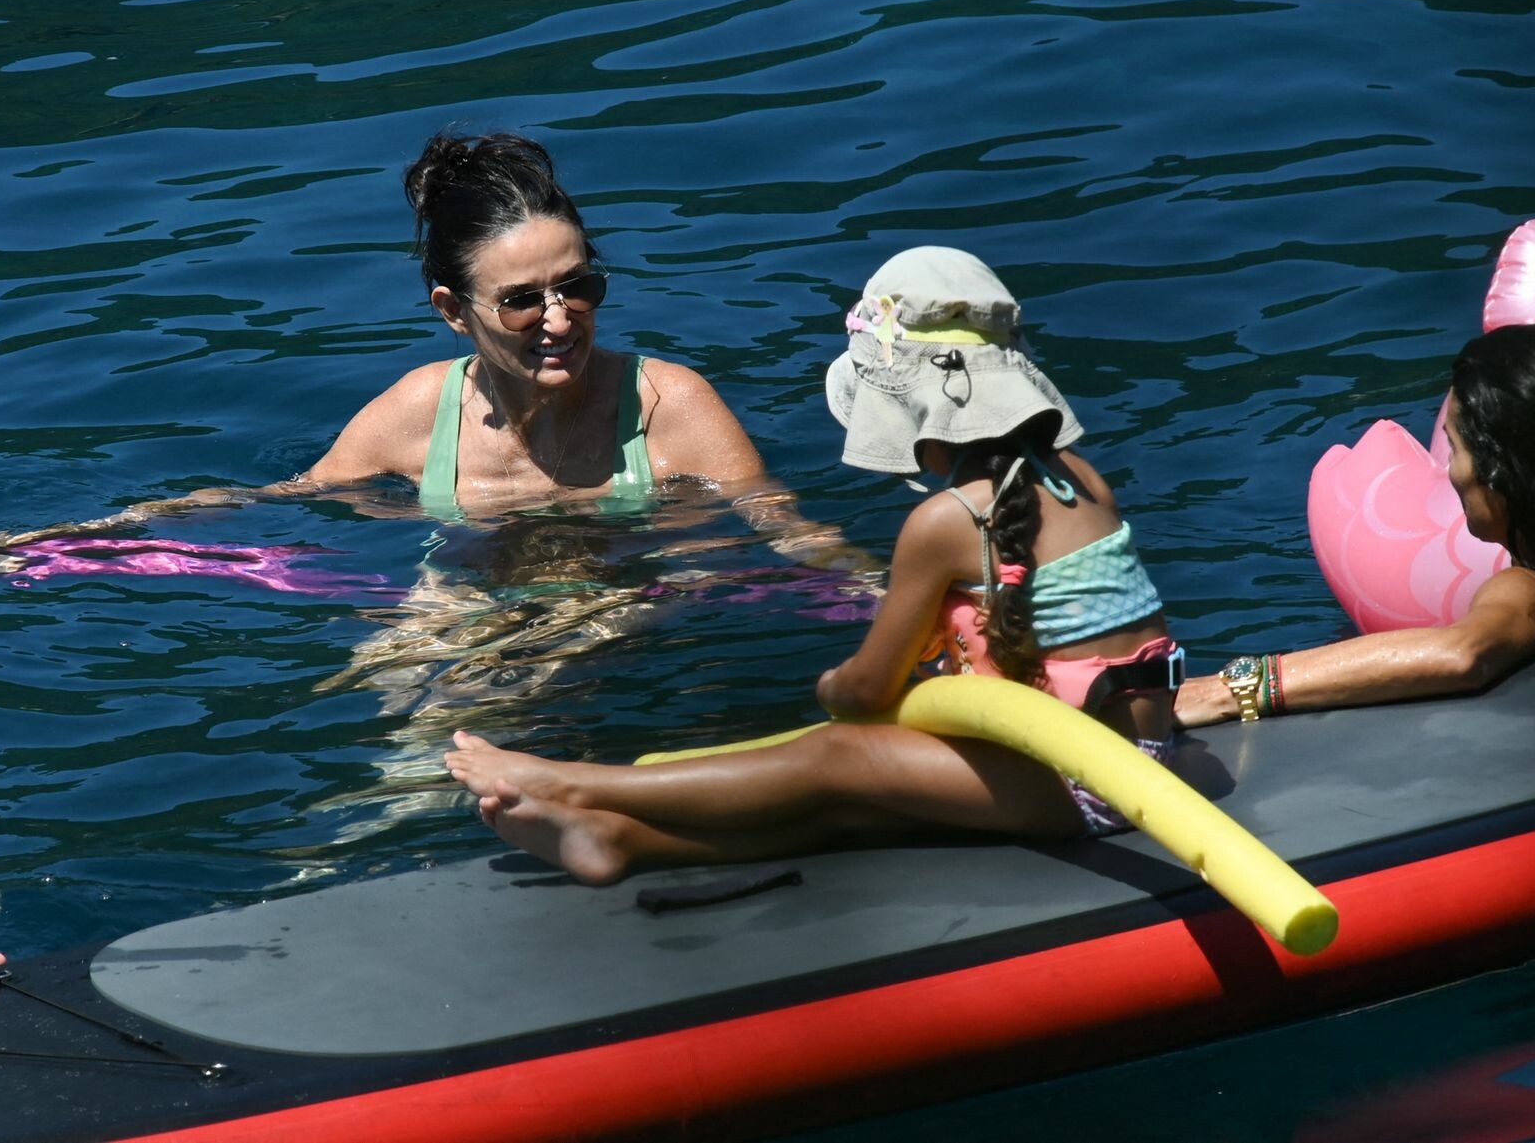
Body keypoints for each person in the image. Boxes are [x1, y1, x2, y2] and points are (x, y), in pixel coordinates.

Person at [444, 246, 1187, 881]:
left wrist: (833, 685)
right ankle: (615, 841)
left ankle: (575, 783)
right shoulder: (1082, 479)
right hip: (1135, 760)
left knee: (836, 756)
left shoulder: (944, 523)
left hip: (1084, 784)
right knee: (847, 813)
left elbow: (865, 695)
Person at [1175, 325, 1535, 724]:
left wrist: (1233, 689)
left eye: (1455, 448)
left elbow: (1464, 652)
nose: (1449, 471)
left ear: (1503, 479)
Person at [305, 130, 765, 514]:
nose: (560, 321)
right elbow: (294, 507)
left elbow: (780, 526)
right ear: (454, 312)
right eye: (521, 301)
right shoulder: (417, 412)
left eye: (577, 286)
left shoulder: (668, 406)